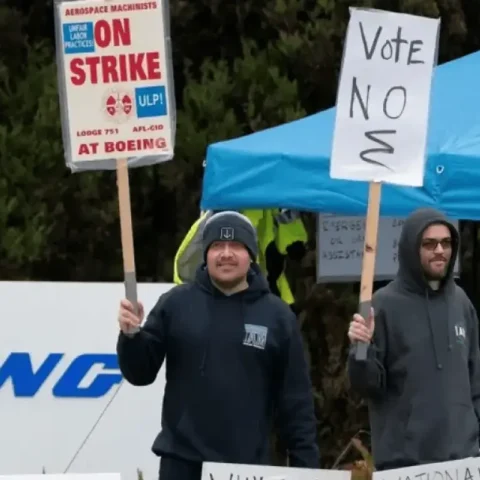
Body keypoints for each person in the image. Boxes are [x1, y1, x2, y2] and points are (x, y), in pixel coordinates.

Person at [116, 210, 320, 480]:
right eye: (217, 246)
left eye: (236, 245)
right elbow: (139, 373)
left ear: (251, 255)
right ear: (206, 254)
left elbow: (296, 403)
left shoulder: (278, 317)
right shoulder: (175, 304)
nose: (226, 253)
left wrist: (306, 469)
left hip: (247, 469)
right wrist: (131, 336)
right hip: (181, 464)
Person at [347, 207, 480, 470]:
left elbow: (476, 380)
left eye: (446, 243)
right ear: (410, 248)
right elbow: (368, 386)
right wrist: (360, 350)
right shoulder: (381, 304)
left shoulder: (461, 302)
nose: (440, 250)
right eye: (429, 244)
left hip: (464, 462)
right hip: (406, 464)